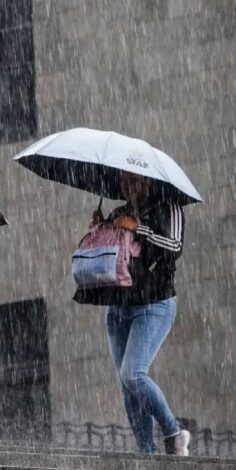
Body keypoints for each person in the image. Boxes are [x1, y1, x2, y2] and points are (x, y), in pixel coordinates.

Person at [93, 172, 190, 455]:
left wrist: (138, 228)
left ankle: (173, 433)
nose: (127, 186)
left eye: (134, 179)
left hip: (155, 305)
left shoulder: (169, 206)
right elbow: (109, 254)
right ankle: (146, 452)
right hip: (118, 306)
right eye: (123, 180)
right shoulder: (119, 210)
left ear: (148, 180)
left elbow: (174, 246)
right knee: (127, 386)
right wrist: (100, 228)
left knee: (133, 374)